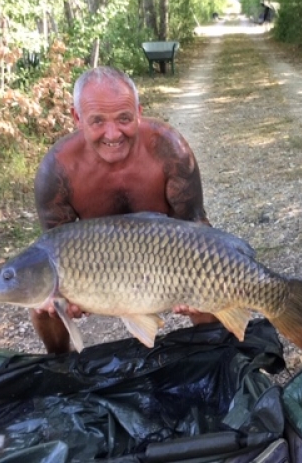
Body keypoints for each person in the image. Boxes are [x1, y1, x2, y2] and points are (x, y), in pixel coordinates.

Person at [31, 66, 216, 354]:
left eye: (124, 119)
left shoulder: (170, 149)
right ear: (77, 118)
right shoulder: (56, 170)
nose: (113, 133)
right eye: (97, 121)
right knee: (41, 303)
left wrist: (196, 283)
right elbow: (57, 250)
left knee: (210, 288)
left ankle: (214, 360)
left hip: (169, 259)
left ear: (139, 112)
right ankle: (61, 366)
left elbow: (196, 227)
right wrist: (64, 296)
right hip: (102, 266)